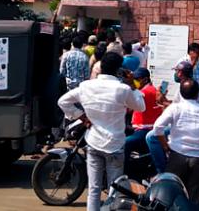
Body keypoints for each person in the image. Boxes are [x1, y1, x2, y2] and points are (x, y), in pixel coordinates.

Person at [57, 52, 145, 211]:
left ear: (101, 66)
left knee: (94, 189)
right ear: (119, 70)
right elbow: (141, 107)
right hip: (115, 145)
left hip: (93, 142)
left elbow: (62, 102)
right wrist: (133, 85)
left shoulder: (86, 86)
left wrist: (81, 117)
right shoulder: (123, 89)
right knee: (115, 191)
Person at [152, 79, 199, 205]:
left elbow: (157, 127)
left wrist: (164, 145)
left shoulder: (175, 108)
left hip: (176, 155)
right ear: (197, 94)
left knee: (170, 194)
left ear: (180, 93)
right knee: (195, 198)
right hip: (196, 159)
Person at [147, 61, 194, 173]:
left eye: (176, 71)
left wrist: (164, 103)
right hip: (182, 121)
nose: (175, 73)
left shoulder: (186, 86)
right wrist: (164, 101)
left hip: (181, 124)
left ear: (180, 73)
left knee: (151, 137)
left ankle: (162, 170)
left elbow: (180, 108)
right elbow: (177, 104)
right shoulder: (187, 84)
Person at [124, 68, 163, 159]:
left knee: (125, 143)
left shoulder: (144, 92)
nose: (135, 82)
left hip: (144, 129)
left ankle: (124, 168)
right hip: (143, 127)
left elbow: (128, 109)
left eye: (137, 80)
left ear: (145, 79)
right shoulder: (152, 89)